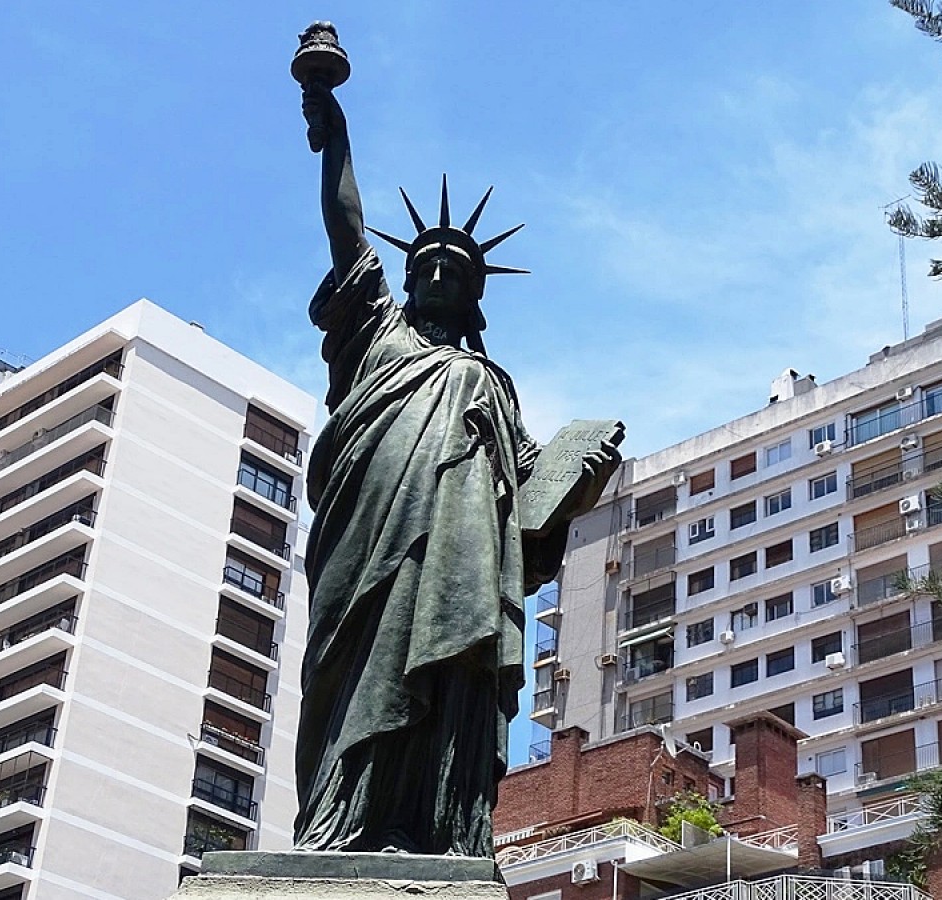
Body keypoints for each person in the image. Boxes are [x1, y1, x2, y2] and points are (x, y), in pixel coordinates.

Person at [293, 81, 620, 858]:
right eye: (428, 261)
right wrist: (334, 131)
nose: (440, 269)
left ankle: (430, 827)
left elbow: (532, 504)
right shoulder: (376, 333)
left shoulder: (492, 385)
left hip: (461, 556)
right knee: (361, 672)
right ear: (408, 279)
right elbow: (345, 228)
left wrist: (584, 476)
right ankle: (344, 826)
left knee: (449, 677)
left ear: (475, 293)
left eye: (456, 266)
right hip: (368, 538)